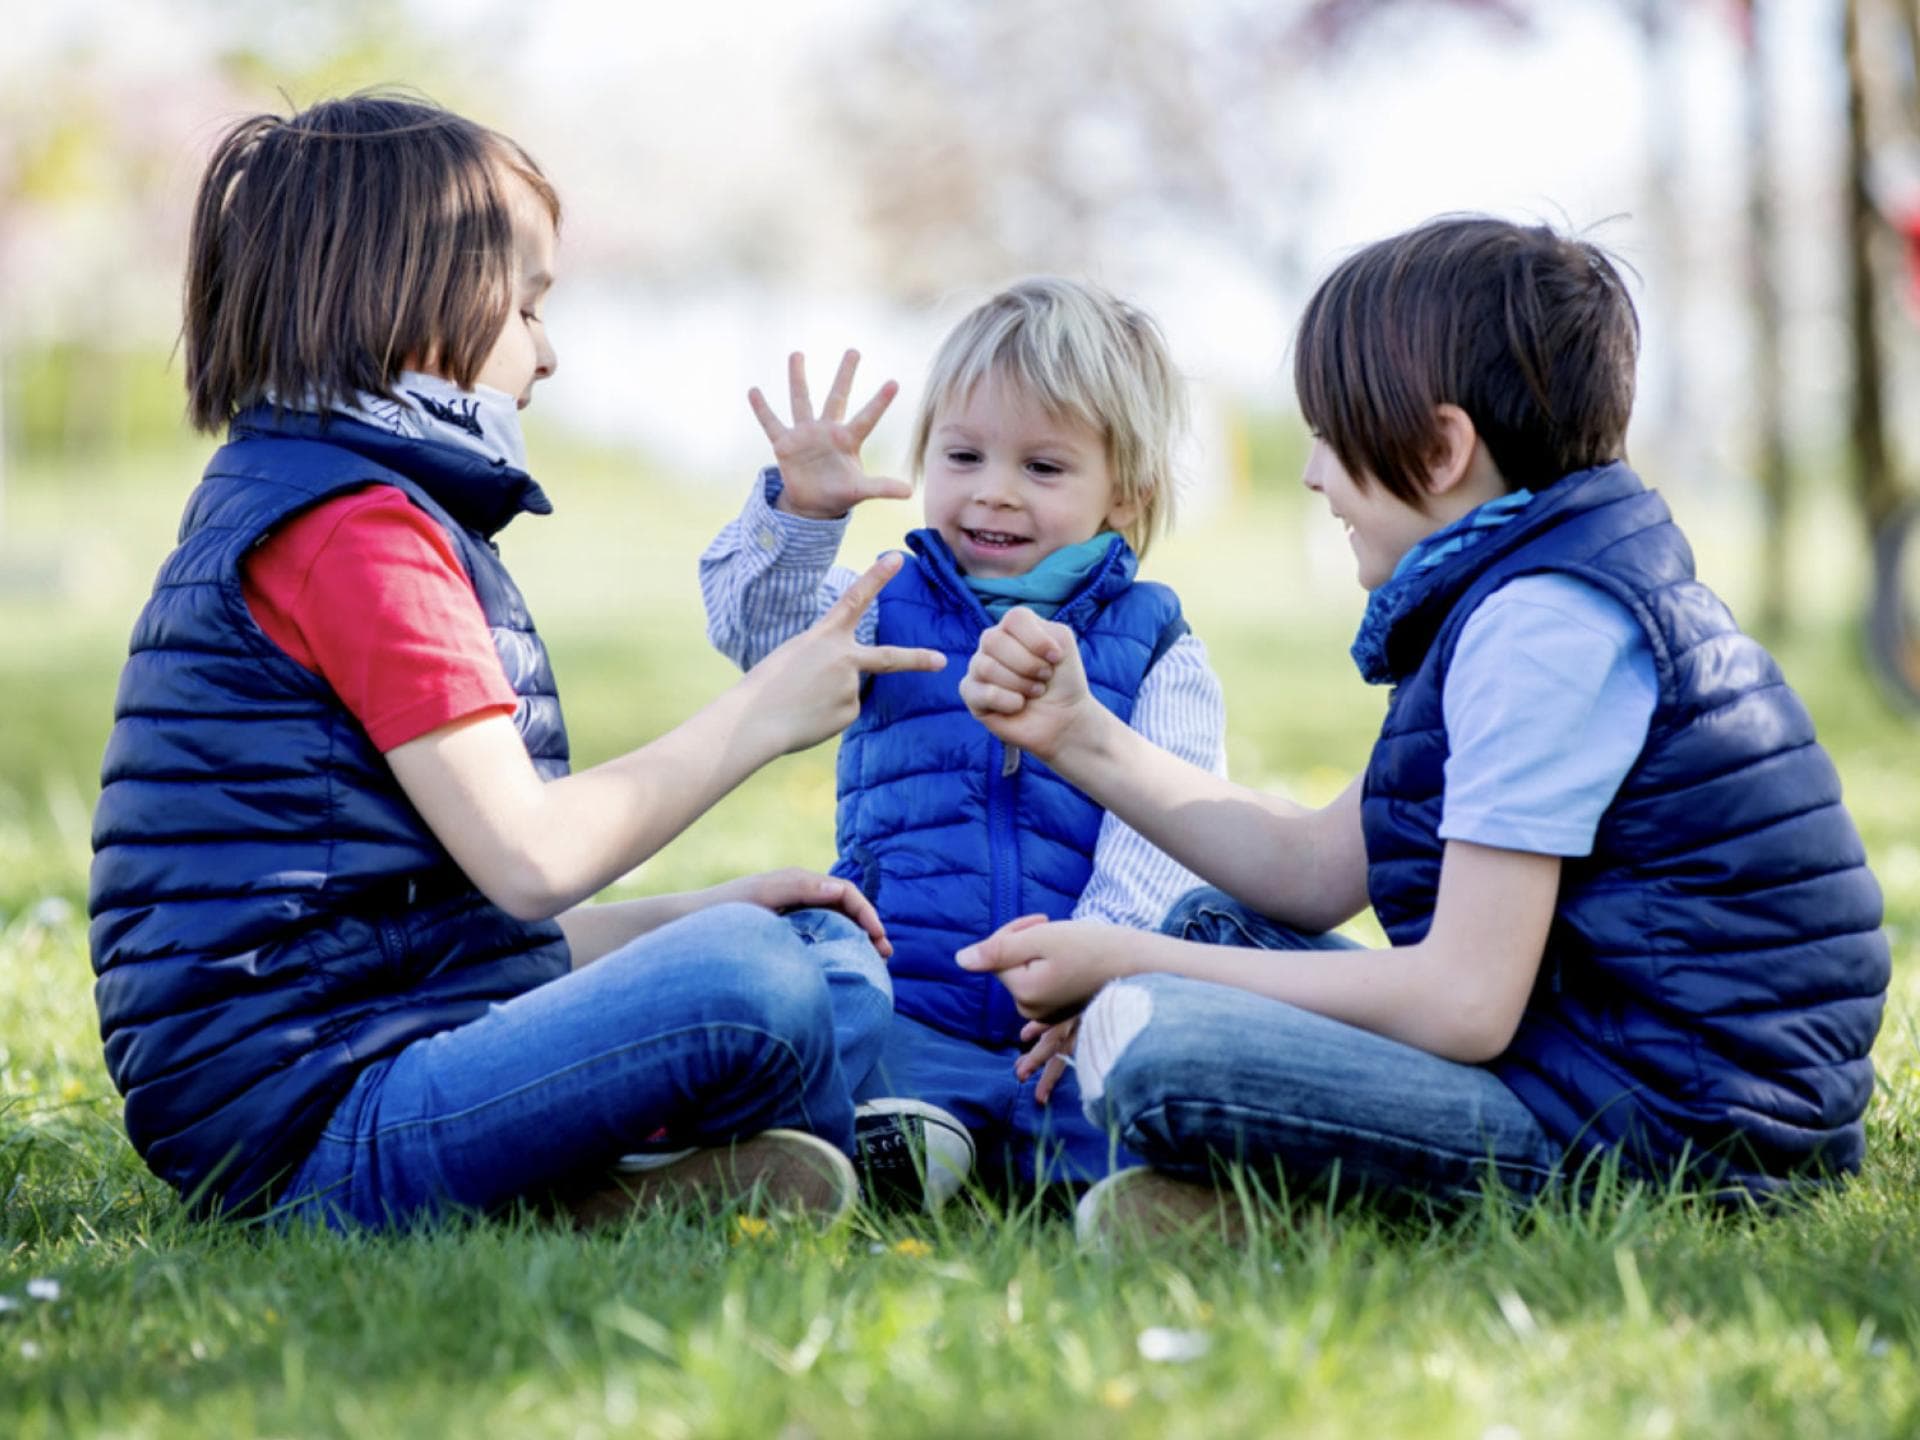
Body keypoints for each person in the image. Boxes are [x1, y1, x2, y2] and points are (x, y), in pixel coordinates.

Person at [87, 92, 949, 1230]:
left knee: (809, 952)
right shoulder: (352, 535)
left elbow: (443, 937)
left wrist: (681, 914)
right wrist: (760, 713)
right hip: (312, 1126)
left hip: (385, 1051)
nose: (548, 354)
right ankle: (613, 1181)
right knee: (756, 979)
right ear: (408, 294)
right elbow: (532, 865)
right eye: (529, 307)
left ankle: (615, 1188)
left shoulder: (349, 506)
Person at [954, 217, 1890, 1239]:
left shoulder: (1545, 631)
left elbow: (1463, 1004)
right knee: (1201, 927)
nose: (1311, 474)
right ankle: (1254, 1203)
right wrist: (1080, 734)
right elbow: (1315, 866)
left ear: (1441, 450)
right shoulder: (1522, 593)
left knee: (1162, 1032)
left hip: (1674, 1132)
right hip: (1591, 1063)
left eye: (1331, 435)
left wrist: (1134, 968)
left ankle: (1309, 1197)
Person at [699, 279, 1226, 1197]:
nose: (994, 493)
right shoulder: (885, 600)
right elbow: (762, 644)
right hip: (911, 999)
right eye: (964, 454)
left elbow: (1169, 829)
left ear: (1126, 496)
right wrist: (802, 518)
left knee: (1136, 1080)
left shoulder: (1158, 645)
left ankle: (1110, 1180)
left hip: (1072, 1017)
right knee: (834, 1024)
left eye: (1043, 468)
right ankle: (884, 1143)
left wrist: (1097, 962)